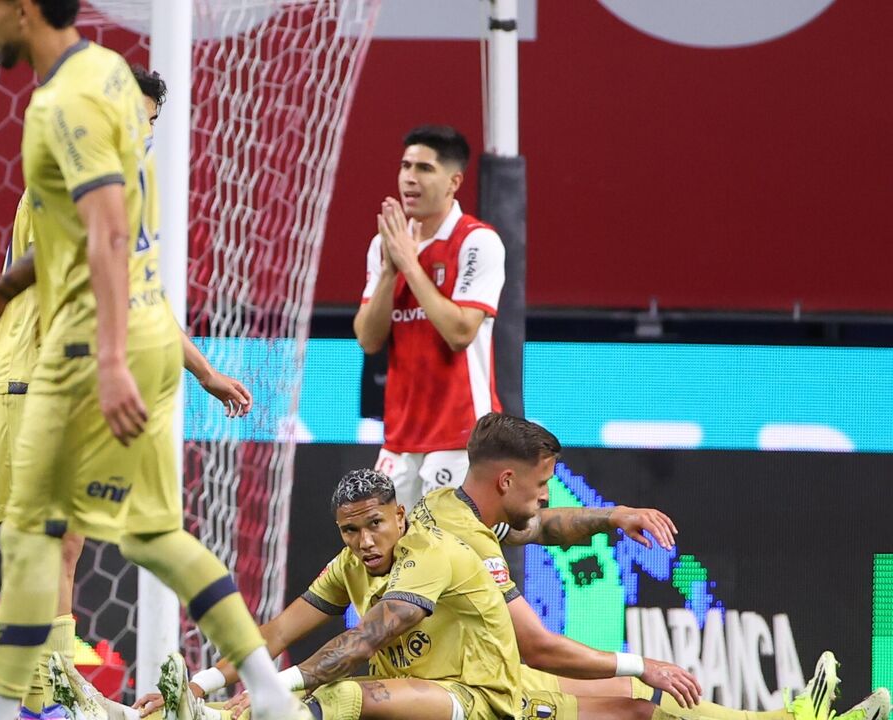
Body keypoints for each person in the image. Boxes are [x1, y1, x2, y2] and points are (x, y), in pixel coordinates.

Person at [0, 2, 304, 718]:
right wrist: (197, 371)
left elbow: (101, 242)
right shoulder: (113, 129)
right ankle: (266, 691)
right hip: (123, 353)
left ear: (25, 12)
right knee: (139, 535)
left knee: (37, 544)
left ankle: (26, 702)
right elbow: (101, 258)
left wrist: (104, 358)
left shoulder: (72, 107)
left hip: (60, 364)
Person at [134, 469, 683, 720]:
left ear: (400, 515)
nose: (364, 541)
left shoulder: (430, 552)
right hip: (423, 695)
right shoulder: (350, 563)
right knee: (638, 709)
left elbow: (361, 642)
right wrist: (200, 682)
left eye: (374, 524)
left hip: (478, 698)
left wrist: (269, 692)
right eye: (350, 531)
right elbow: (274, 633)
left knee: (343, 697)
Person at [411, 413, 858, 720]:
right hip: (474, 694)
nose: (546, 495)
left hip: (488, 671)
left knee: (639, 697)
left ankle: (794, 717)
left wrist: (614, 516)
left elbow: (540, 526)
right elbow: (538, 646)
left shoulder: (449, 503)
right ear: (506, 480)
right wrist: (639, 662)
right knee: (640, 706)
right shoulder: (469, 543)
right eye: (541, 483)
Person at [353, 125, 505, 510]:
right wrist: (390, 272)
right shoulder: (384, 243)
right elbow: (369, 339)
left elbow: (459, 331)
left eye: (423, 168)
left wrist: (410, 264)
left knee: (449, 562)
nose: (409, 177)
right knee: (383, 557)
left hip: (462, 436)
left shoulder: (476, 241)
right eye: (405, 166)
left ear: (454, 181)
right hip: (400, 437)